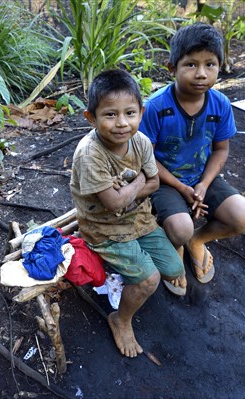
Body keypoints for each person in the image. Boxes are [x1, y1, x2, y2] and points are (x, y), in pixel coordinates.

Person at [70, 69, 185, 358]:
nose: (122, 123)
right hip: (103, 229)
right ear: (91, 118)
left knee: (174, 269)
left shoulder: (142, 142)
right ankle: (120, 319)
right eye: (110, 115)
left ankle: (130, 272)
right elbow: (113, 203)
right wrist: (138, 183)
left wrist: (129, 190)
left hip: (140, 221)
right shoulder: (90, 154)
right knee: (149, 280)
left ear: (141, 112)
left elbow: (155, 182)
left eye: (130, 113)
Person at [139, 22, 245, 295]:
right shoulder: (156, 107)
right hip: (164, 181)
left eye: (210, 64)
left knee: (243, 216)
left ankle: (197, 241)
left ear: (220, 66)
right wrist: (181, 188)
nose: (201, 74)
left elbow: (220, 150)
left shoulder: (220, 105)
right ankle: (177, 244)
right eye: (190, 65)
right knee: (179, 228)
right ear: (172, 68)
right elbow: (146, 158)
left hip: (202, 178)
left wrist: (203, 185)